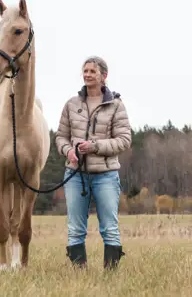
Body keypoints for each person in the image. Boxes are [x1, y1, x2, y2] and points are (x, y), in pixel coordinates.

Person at [55, 55, 132, 270]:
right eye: (85, 71)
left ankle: (111, 275)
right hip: (75, 175)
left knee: (109, 227)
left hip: (106, 176)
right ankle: (80, 274)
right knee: (75, 228)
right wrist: (68, 150)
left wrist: (95, 146)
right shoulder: (71, 104)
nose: (88, 74)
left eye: (93, 71)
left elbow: (124, 140)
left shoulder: (116, 105)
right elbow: (60, 136)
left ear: (104, 76)